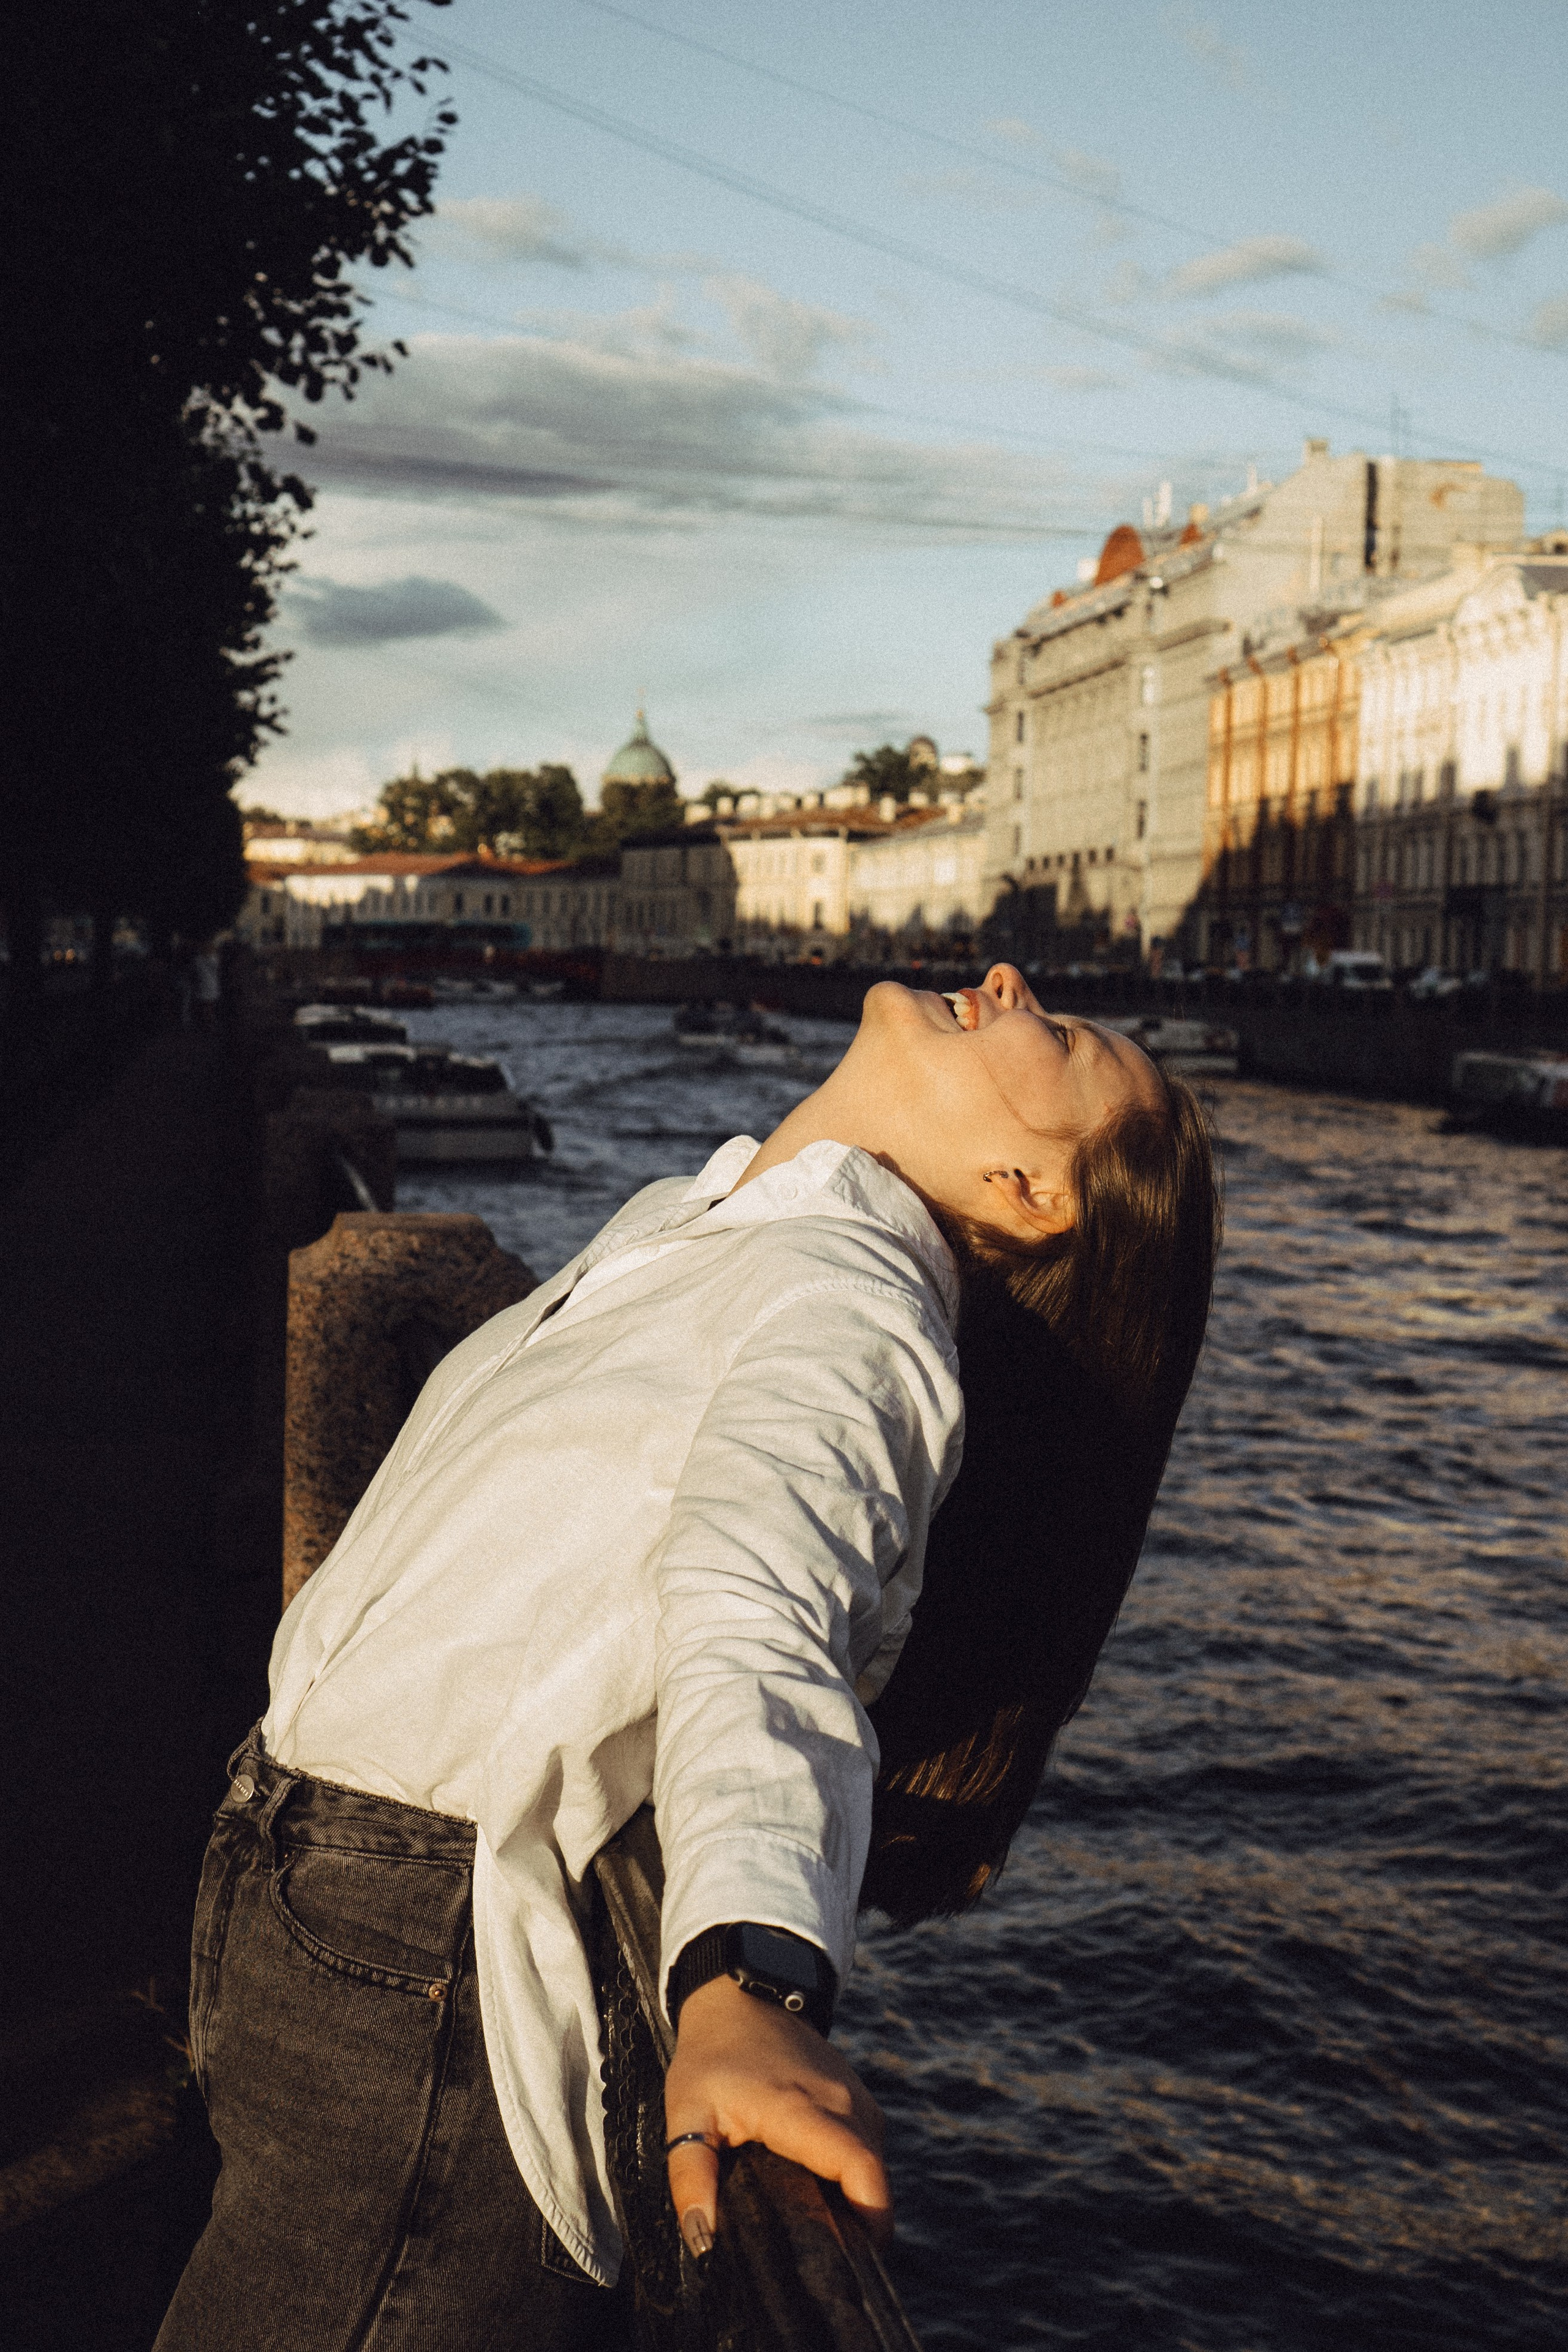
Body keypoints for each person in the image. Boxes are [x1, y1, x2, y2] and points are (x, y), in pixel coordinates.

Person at [155, 965, 1219, 2352]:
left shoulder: (857, 1314)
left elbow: (763, 1617)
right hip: (323, 1903)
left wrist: (748, 1986)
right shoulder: (709, 1224)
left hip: (421, 1971)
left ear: (1029, 1190)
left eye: (1062, 1037)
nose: (1009, 978)